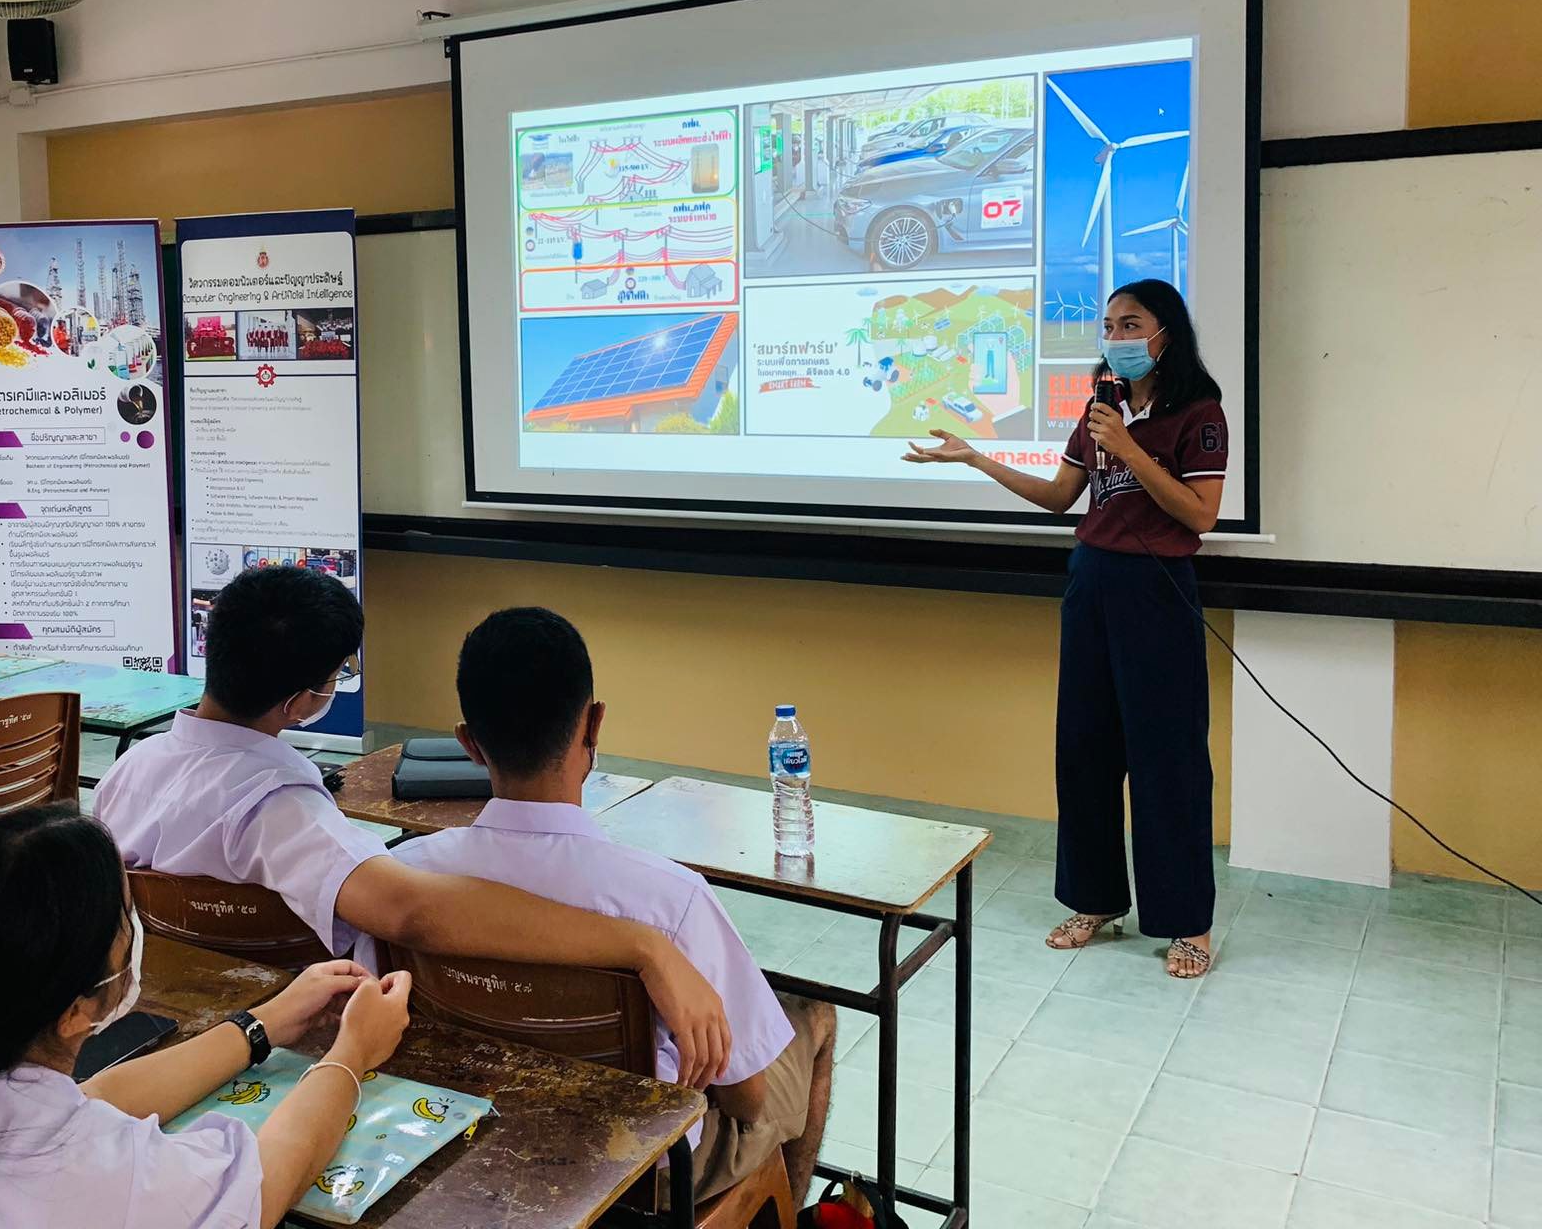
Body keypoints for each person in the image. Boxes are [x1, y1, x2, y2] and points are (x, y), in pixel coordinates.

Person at [92, 566, 734, 1087]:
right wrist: (644, 944)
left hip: (167, 1031)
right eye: (337, 676)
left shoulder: (127, 773)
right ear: (301, 701)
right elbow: (409, 912)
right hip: (275, 1057)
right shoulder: (279, 809)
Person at [366, 607, 837, 1209]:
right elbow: (746, 1097)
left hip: (461, 1140)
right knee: (814, 1017)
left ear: (469, 744)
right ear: (594, 725)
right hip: (634, 1171)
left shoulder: (405, 877)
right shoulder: (670, 899)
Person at [0, 807, 412, 1229]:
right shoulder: (99, 1175)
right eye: (122, 920)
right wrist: (352, 1052)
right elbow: (266, 1184)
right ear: (77, 1009)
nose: (131, 932)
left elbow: (90, 1100)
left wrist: (261, 1025)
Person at [903, 278, 1225, 978]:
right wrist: (977, 458)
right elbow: (1059, 497)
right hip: (1092, 582)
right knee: (1084, 749)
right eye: (1109, 325)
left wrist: (1132, 450)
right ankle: (1095, 899)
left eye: (1131, 323)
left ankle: (1187, 922)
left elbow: (1201, 513)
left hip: (1158, 591)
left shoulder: (1198, 414)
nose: (1116, 336)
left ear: (1166, 332)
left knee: (1168, 759)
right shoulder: (1101, 409)